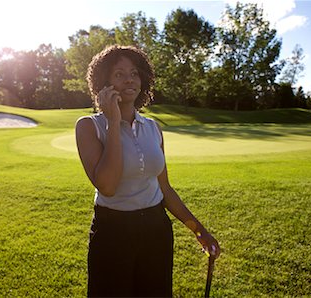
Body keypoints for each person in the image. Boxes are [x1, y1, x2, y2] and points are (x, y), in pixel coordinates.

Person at [75, 45, 220, 297]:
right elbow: (107, 186)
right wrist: (112, 121)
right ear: (104, 82)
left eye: (134, 73)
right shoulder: (89, 126)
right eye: (119, 74)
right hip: (112, 232)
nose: (129, 79)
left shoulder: (153, 128)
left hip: (156, 230)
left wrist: (199, 230)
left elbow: (164, 188)